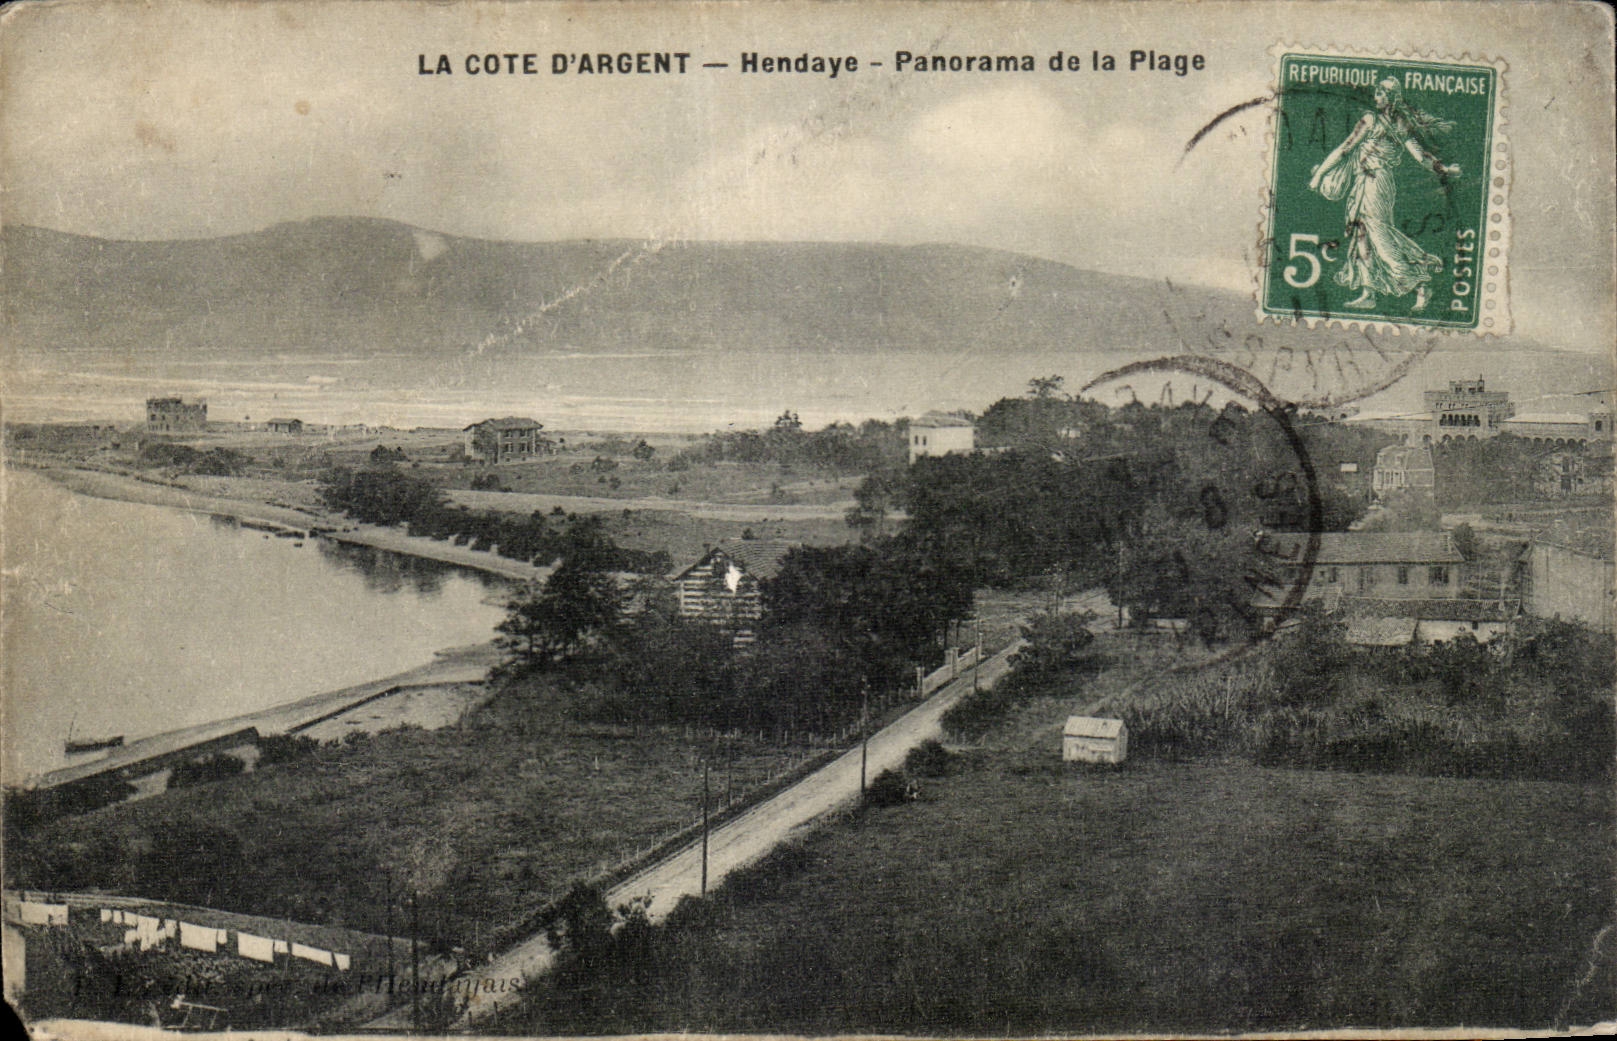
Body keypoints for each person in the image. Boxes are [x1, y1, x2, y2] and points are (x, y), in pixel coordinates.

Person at [1308, 78, 1461, 312]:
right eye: (1376, 93)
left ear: (1391, 97)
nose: (1376, 97)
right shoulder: (1386, 121)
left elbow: (1419, 156)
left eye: (1380, 94)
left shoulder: (1388, 123)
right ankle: (1369, 292)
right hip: (1363, 182)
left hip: (1377, 183)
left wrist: (1319, 175)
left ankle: (1420, 285)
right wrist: (1444, 169)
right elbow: (1347, 148)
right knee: (1362, 236)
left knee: (1379, 236)